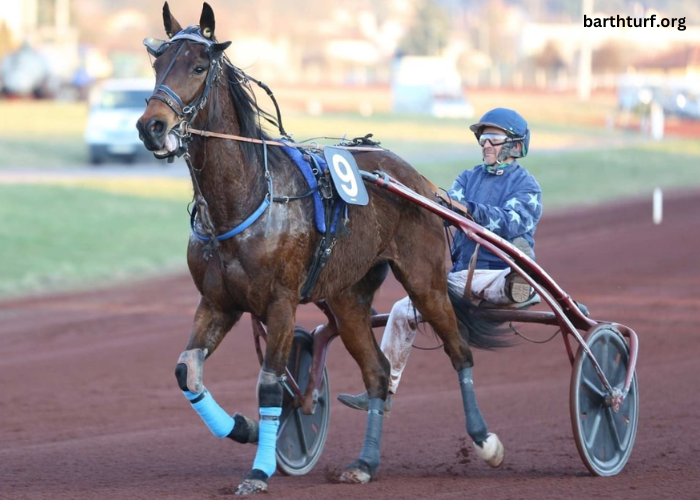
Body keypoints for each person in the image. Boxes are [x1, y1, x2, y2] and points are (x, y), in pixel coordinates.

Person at [337, 107, 542, 414]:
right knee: (401, 310)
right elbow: (445, 213)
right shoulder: (468, 177)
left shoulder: (526, 185)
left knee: (504, 275)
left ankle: (520, 281)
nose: (485, 144)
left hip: (499, 272)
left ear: (514, 145)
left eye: (493, 139)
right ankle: (383, 390)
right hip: (462, 280)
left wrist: (465, 209)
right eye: (482, 139)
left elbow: (511, 222)